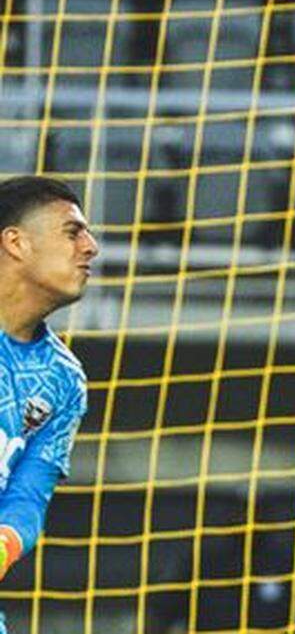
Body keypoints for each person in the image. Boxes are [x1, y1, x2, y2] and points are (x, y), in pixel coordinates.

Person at [0, 176, 99, 633]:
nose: (91, 247)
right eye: (72, 232)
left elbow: (28, 495)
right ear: (16, 242)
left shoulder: (64, 381)